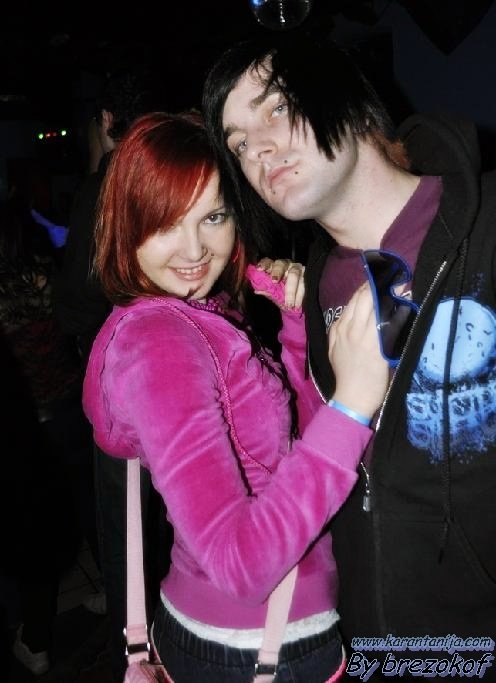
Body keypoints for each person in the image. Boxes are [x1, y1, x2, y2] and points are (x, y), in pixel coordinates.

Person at [202, 33, 496, 674]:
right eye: (238, 143)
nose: (258, 150)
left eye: (277, 107)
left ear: (353, 102)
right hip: (374, 652)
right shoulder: (314, 297)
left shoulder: (487, 232)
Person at [81, 111, 389, 683]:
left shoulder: (197, 317)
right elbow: (241, 565)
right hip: (256, 650)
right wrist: (353, 405)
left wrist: (294, 331)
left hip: (248, 637)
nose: (194, 249)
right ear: (126, 226)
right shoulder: (160, 343)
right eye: (165, 223)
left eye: (213, 216)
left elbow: (287, 449)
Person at [54, 66, 171, 681]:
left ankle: (135, 646)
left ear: (105, 120)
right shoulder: (173, 168)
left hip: (124, 380)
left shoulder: (105, 185)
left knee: (126, 522)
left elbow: (76, 299)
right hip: (181, 366)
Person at [0, 193, 90, 675]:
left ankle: (35, 639)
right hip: (68, 409)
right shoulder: (44, 275)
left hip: (24, 429)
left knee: (31, 531)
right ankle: (114, 596)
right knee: (82, 507)